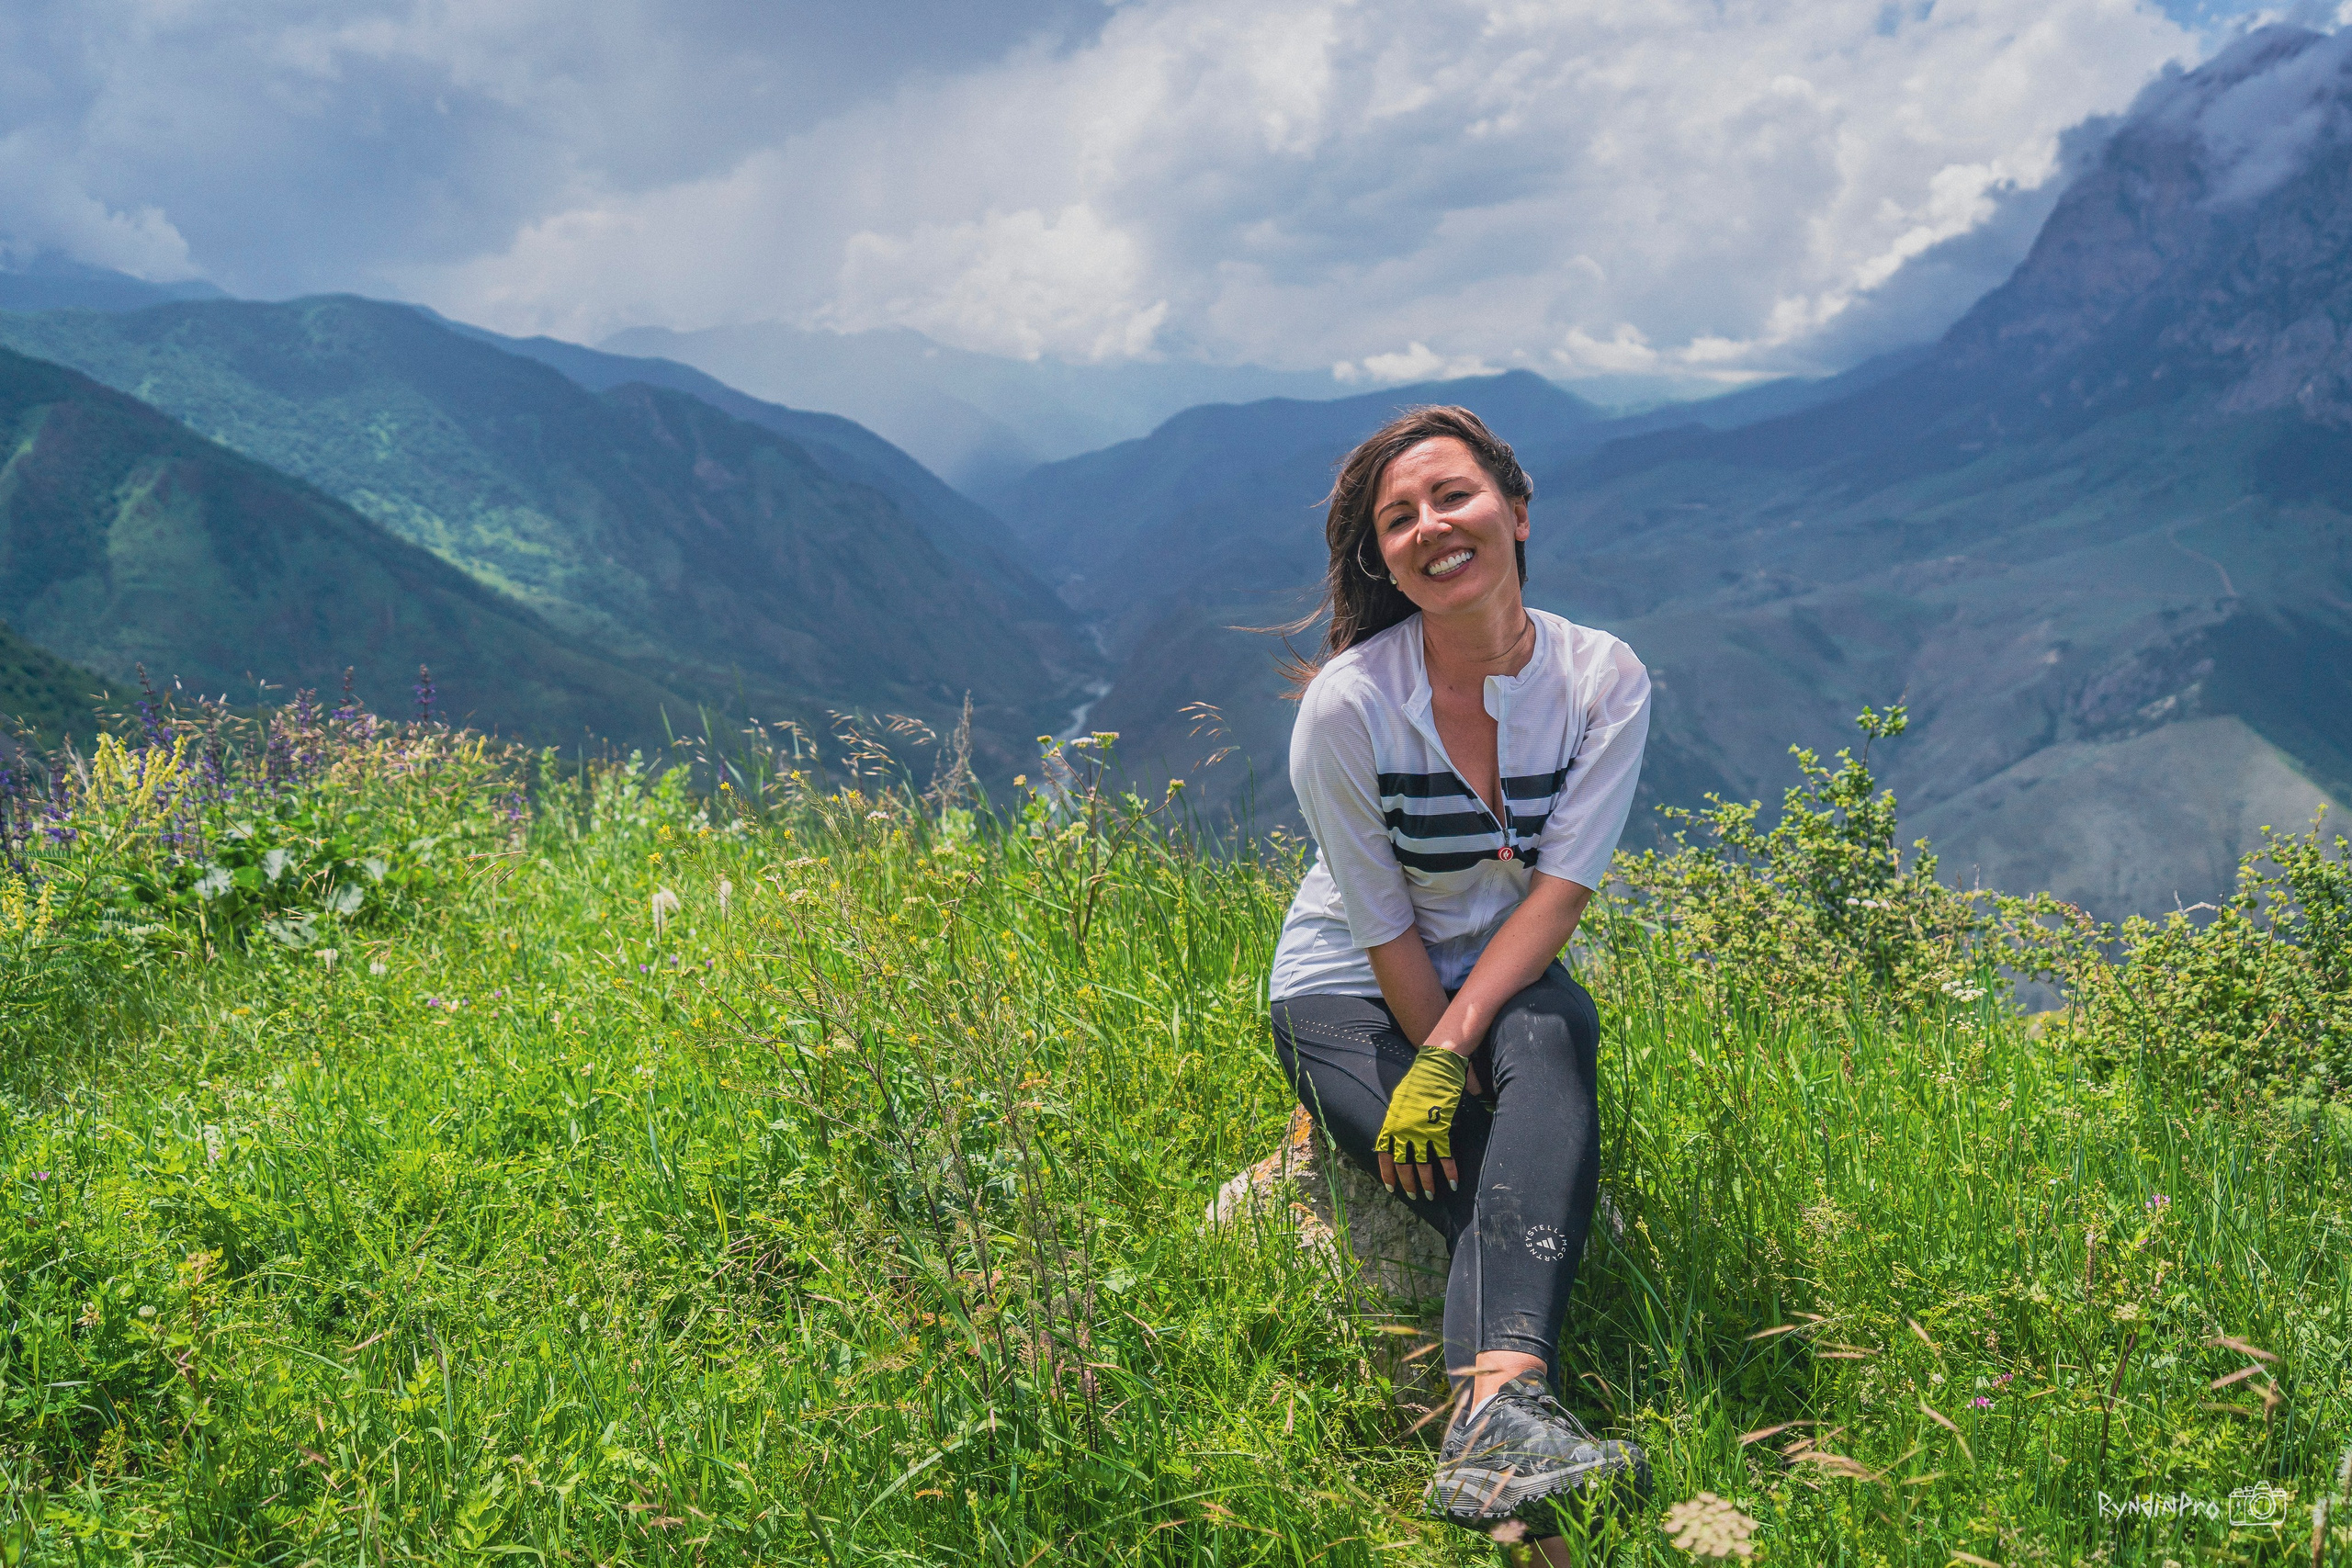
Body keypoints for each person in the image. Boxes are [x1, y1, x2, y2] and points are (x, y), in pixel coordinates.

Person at [1265, 405, 1652, 1547]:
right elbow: (1378, 922)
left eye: (1452, 496)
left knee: (1552, 1036)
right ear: (1379, 556)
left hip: (1502, 966)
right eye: (1398, 519)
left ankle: (1489, 1424)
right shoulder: (1350, 706)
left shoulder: (1601, 678)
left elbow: (1558, 896)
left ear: (1516, 512)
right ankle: (1508, 1422)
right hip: (1341, 985)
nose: (1431, 526)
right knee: (1479, 1157)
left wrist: (1452, 1048)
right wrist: (1444, 1070)